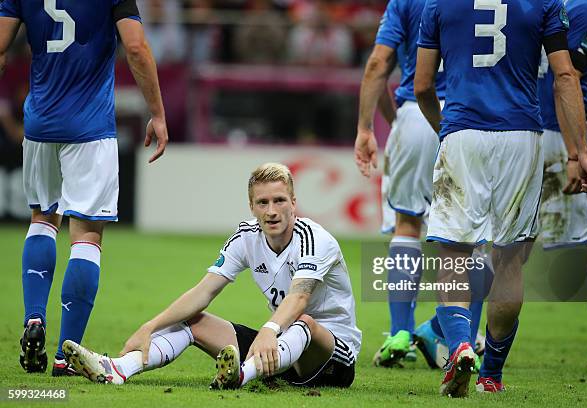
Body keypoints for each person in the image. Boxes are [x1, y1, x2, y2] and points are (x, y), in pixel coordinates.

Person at [412, 0, 587, 397]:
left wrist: (446, 128)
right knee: (511, 260)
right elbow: (565, 75)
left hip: (463, 131)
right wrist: (579, 152)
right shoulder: (546, 2)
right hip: (522, 135)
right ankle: (491, 375)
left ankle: (461, 346)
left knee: (454, 256)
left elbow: (423, 85)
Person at [62, 163, 361, 389]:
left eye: (280, 200)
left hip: (331, 357)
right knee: (194, 319)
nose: (272, 211)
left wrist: (269, 330)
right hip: (278, 349)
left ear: (294, 203)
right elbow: (203, 292)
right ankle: (117, 368)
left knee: (303, 322)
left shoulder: (314, 239)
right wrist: (150, 326)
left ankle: (241, 375)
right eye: (263, 203)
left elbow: (299, 297)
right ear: (252, 207)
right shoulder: (246, 237)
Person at [0, 0, 168, 376]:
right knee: (87, 236)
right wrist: (157, 113)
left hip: (40, 123)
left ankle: (33, 320)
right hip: (90, 129)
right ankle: (64, 356)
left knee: (42, 219)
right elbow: (137, 48)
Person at [355, 0, 491, 369]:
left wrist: (370, 126)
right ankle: (461, 337)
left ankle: (401, 332)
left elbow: (378, 65)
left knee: (407, 225)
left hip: (417, 111)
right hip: (475, 116)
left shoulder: (406, 2)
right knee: (474, 237)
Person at [537, 0, 587, 375]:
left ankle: (446, 332)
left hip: (525, 131)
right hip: (559, 136)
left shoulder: (550, 4)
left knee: (508, 247)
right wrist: (573, 151)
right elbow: (565, 80)